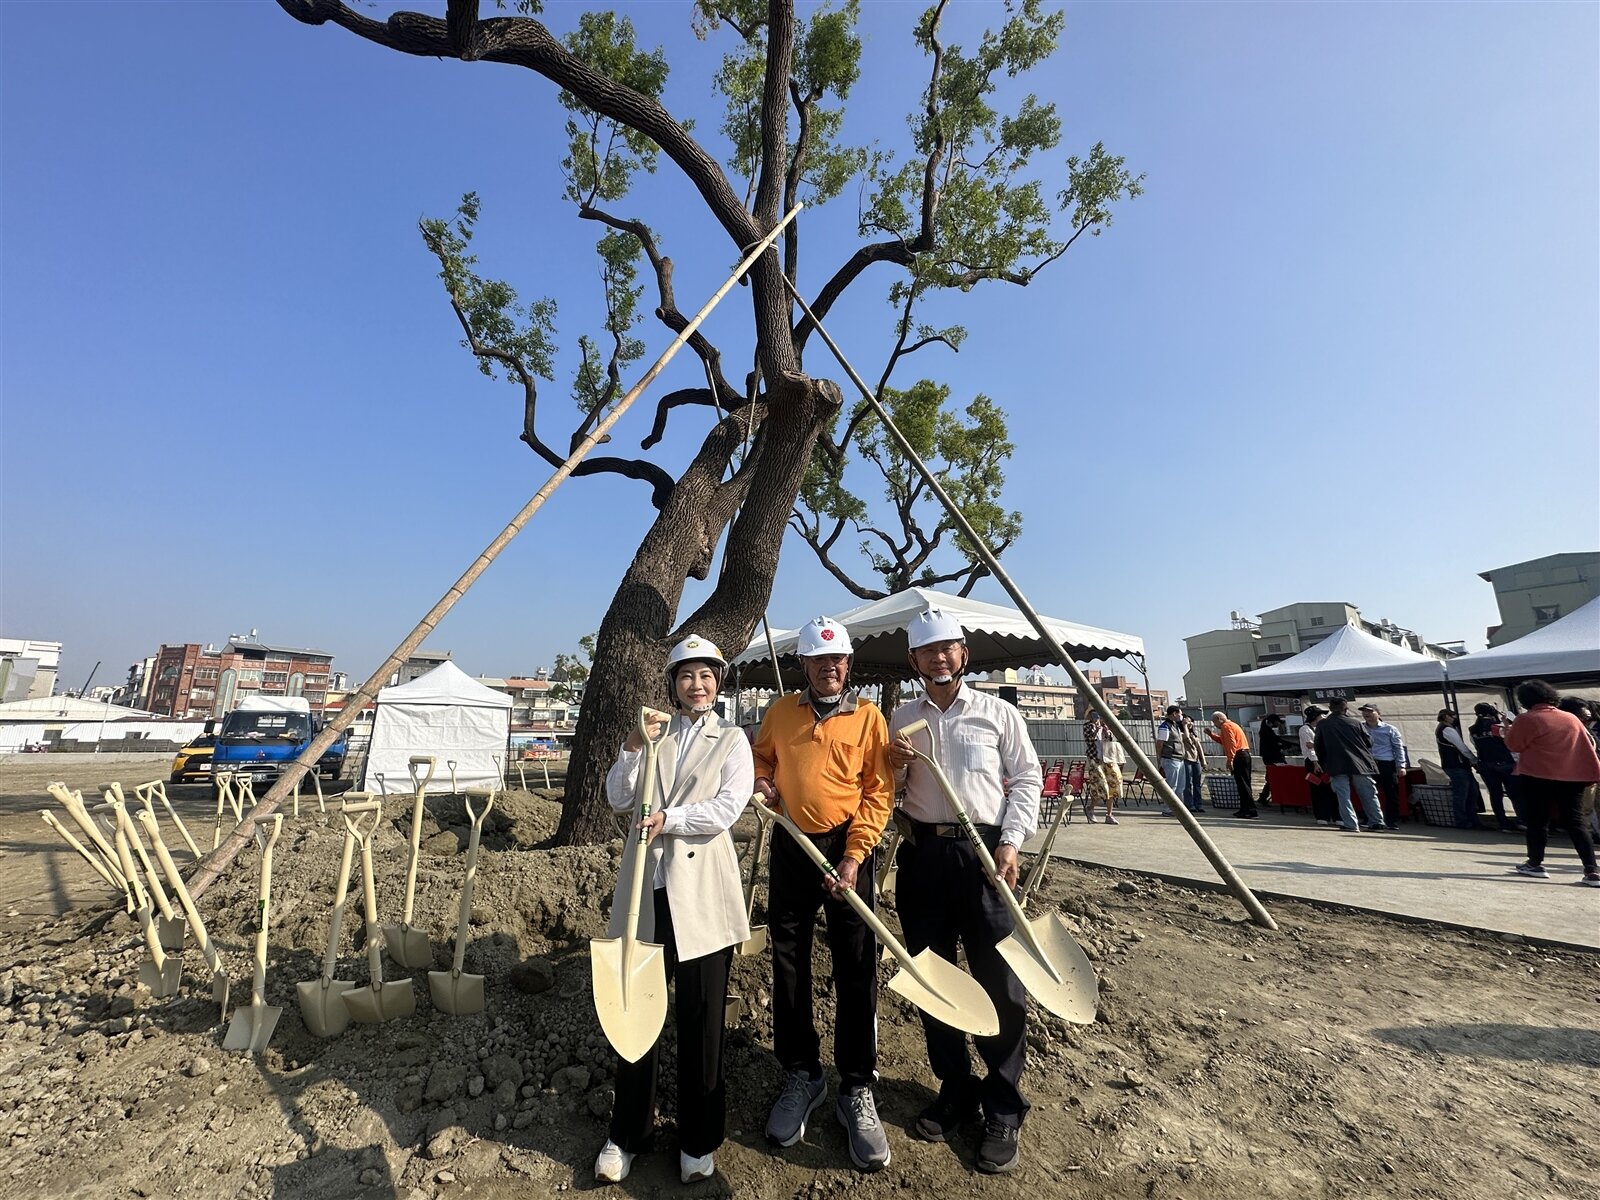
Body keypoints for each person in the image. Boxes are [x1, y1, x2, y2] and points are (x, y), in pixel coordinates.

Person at [887, 606, 1042, 1174]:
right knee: (935, 978)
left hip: (985, 856)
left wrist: (1013, 842)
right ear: (914, 662)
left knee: (1000, 980)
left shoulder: (998, 714)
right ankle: (955, 1086)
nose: (939, 658)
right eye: (928, 652)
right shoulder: (901, 718)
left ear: (963, 655)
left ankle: (1003, 1104)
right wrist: (895, 767)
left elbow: (1026, 778)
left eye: (948, 648)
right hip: (924, 855)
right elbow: (886, 790)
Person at [594, 635, 754, 1185]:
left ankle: (697, 1137)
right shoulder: (654, 736)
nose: (697, 685)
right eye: (686, 676)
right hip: (648, 886)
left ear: (718, 680)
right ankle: (628, 1132)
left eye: (706, 674)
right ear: (672, 684)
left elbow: (729, 807)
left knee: (702, 1014)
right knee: (638, 1007)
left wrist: (671, 818)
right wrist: (634, 746)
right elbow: (619, 796)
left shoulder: (732, 739)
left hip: (701, 891)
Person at [752, 617, 894, 1170]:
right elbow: (763, 758)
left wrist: (855, 856)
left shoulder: (868, 718)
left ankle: (856, 1084)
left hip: (848, 850)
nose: (828, 669)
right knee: (788, 960)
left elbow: (878, 793)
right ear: (804, 666)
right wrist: (763, 781)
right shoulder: (781, 713)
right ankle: (802, 1075)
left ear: (848, 665)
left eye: (836, 662)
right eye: (817, 662)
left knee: (856, 964)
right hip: (792, 844)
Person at [1505, 680, 1600, 887]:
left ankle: (1535, 864)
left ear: (1525, 700)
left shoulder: (1527, 718)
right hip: (1571, 776)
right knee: (1576, 822)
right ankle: (1592, 870)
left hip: (1537, 776)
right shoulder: (1570, 718)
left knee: (1538, 821)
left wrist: (1506, 731)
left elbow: (1515, 744)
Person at [1313, 698, 1386, 832]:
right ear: (1346, 709)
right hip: (1360, 763)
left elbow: (1318, 746)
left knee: (1343, 795)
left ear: (1330, 708)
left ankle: (1351, 824)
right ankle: (1377, 822)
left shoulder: (1323, 724)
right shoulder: (1356, 723)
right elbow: (1369, 742)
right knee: (1368, 794)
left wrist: (1325, 762)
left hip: (1336, 764)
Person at [1468, 702, 1523, 831]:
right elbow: (1510, 742)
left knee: (1495, 795)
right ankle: (1522, 820)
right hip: (1504, 763)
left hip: (1486, 764)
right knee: (1515, 793)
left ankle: (1502, 823)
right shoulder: (1495, 727)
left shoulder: (1472, 729)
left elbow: (1476, 745)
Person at [1435, 709, 1487, 830]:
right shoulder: (1447, 729)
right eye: (1452, 715)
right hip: (1456, 765)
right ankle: (1463, 821)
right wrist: (1473, 760)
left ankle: (1472, 820)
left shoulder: (1443, 728)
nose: (1454, 717)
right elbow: (1461, 747)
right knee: (1463, 794)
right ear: (1446, 717)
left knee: (1470, 793)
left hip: (1456, 765)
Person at [1358, 704, 1406, 830]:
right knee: (1368, 792)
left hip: (1386, 763)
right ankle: (1370, 818)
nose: (1366, 714)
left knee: (1391, 793)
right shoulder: (1360, 728)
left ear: (1378, 713)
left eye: (1370, 711)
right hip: (1368, 763)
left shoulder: (1390, 729)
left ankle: (1391, 821)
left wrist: (1401, 765)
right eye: (1364, 712)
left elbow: (1398, 748)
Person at [1206, 711, 1257, 819]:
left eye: (1214, 722)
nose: (1214, 725)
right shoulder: (1232, 725)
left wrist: (1230, 759)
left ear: (1219, 719)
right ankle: (1246, 808)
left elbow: (1231, 744)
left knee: (1242, 784)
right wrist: (1211, 735)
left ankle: (1249, 809)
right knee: (1244, 783)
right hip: (1243, 754)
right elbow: (1224, 741)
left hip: (1239, 755)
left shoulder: (1226, 726)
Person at [1299, 706, 1338, 825]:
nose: (1324, 717)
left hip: (1326, 761)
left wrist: (1315, 745)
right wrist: (1315, 763)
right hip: (1312, 762)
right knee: (1318, 789)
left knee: (1332, 789)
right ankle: (1322, 816)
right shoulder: (1305, 729)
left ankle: (1336, 816)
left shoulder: (1323, 728)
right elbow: (1309, 748)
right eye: (1321, 715)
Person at [1082, 711, 1119, 824]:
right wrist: (1097, 729)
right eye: (1093, 715)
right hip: (1095, 758)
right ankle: (1091, 808)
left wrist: (1106, 731)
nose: (1096, 717)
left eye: (1098, 714)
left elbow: (1111, 740)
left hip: (1108, 758)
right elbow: (1089, 739)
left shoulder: (1105, 725)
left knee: (1112, 784)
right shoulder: (1088, 726)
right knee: (1100, 785)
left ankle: (1109, 814)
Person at [1154, 706, 1188, 815]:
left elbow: (1185, 737)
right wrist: (1159, 759)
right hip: (1170, 759)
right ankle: (1167, 809)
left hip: (1179, 759)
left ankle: (1179, 809)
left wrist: (1185, 726)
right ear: (1174, 713)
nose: (1181, 716)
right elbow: (1160, 744)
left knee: (1180, 787)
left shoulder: (1176, 726)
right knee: (1171, 786)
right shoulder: (1165, 726)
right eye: (1180, 714)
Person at [1256, 714, 1288, 807]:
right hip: (1272, 758)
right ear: (1272, 722)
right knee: (1273, 777)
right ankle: (1265, 797)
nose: (1278, 724)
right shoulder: (1266, 732)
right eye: (1277, 722)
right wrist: (1282, 745)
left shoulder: (1267, 731)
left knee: (1271, 778)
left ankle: (1264, 797)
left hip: (1271, 757)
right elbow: (1275, 742)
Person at [1181, 717, 1207, 814]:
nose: (1189, 723)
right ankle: (1190, 804)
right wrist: (1185, 726)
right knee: (1188, 783)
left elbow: (1199, 747)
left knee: (1197, 784)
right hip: (1186, 759)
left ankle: (1198, 804)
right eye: (1187, 721)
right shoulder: (1182, 733)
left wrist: (1203, 760)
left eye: (1190, 721)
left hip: (1196, 760)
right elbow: (1186, 738)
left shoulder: (1194, 734)